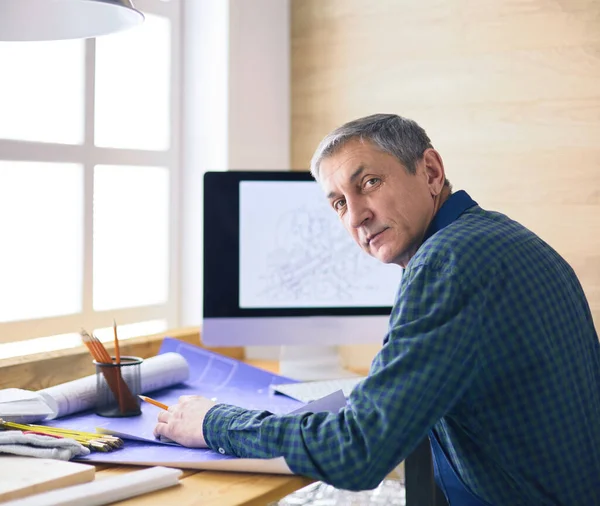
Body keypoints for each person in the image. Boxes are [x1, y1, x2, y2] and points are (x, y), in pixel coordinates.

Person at [153, 114, 600, 505]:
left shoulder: (446, 262)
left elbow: (358, 451)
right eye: (339, 202)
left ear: (430, 171)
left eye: (369, 183)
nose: (354, 217)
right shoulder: (499, 237)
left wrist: (214, 422)